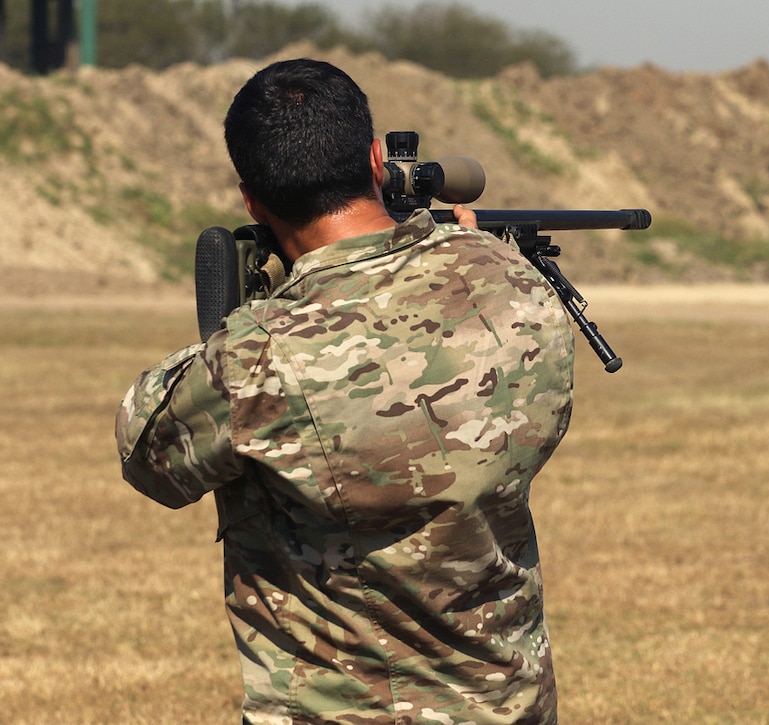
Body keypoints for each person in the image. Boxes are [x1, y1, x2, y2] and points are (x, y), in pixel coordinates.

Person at [115, 58, 575, 725]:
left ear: (252, 199)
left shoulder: (258, 357)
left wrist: (249, 317)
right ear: (375, 158)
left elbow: (147, 453)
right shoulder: (513, 281)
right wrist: (476, 257)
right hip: (512, 705)